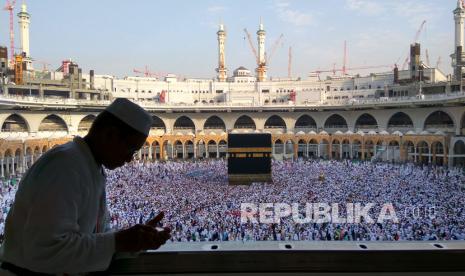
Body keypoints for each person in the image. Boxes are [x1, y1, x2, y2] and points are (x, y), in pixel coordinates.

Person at [0, 98, 171, 275]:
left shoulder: (89, 167)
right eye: (131, 149)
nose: (129, 159)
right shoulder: (65, 167)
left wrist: (136, 241)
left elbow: (91, 240)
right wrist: (117, 241)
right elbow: (48, 250)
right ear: (110, 135)